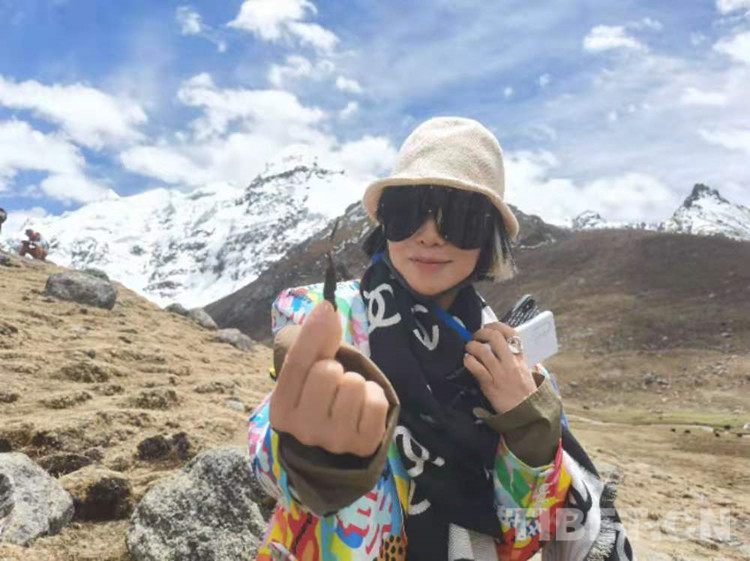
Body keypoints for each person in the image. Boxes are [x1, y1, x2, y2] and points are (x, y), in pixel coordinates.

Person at [248, 117, 633, 560]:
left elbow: (525, 535)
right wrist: (308, 455)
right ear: (384, 223)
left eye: (460, 218)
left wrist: (528, 429)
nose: (429, 235)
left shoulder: (515, 366)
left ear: (488, 239)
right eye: (408, 212)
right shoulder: (326, 316)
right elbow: (270, 473)